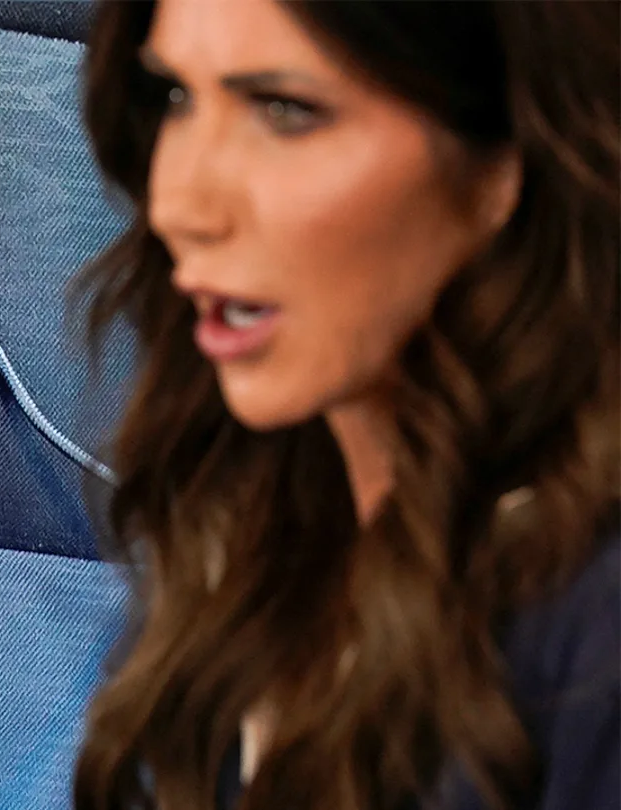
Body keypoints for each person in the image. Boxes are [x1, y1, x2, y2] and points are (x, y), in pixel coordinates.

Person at [71, 1, 619, 809]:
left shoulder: (595, 621)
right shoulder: (253, 508)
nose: (180, 205)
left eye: (285, 111)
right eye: (177, 97)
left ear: (506, 160)